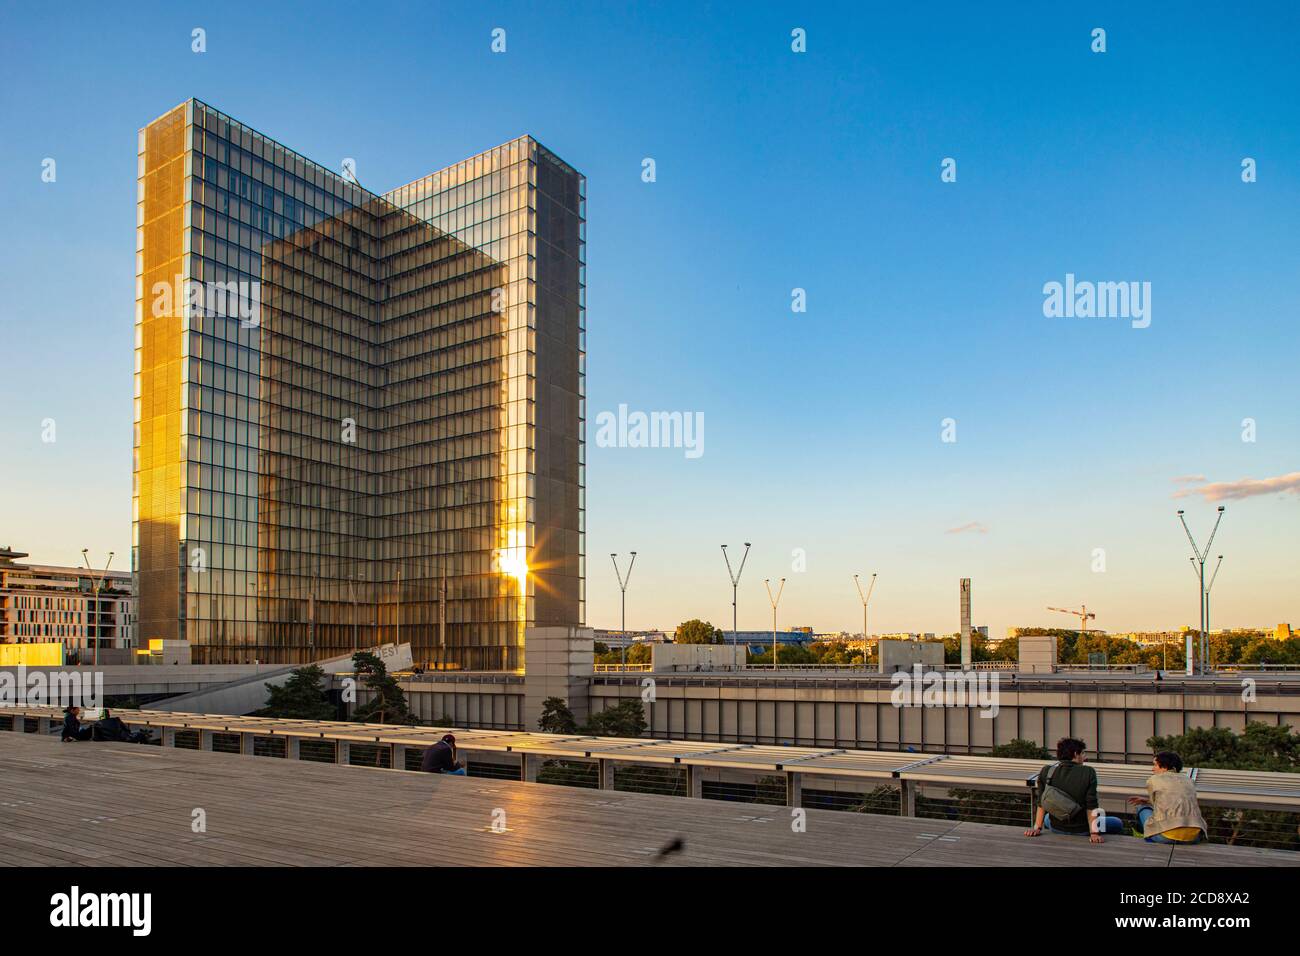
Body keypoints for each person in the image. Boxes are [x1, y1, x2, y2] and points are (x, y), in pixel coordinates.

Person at [1024, 737, 1124, 843]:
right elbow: (1091, 806)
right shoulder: (1088, 772)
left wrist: (1036, 828)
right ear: (1076, 754)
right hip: (1082, 830)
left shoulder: (1047, 771)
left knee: (1047, 818)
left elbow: (1041, 802)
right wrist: (1094, 833)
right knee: (1117, 822)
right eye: (1083, 753)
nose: (1084, 757)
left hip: (1057, 828)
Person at [1126, 751, 1207, 844]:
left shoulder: (1153, 779)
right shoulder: (1189, 780)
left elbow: (1156, 805)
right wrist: (1147, 800)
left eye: (1155, 765)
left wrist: (1147, 802)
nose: (1152, 769)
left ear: (1164, 767)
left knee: (1142, 807)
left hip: (1165, 837)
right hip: (1193, 838)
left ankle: (1148, 836)